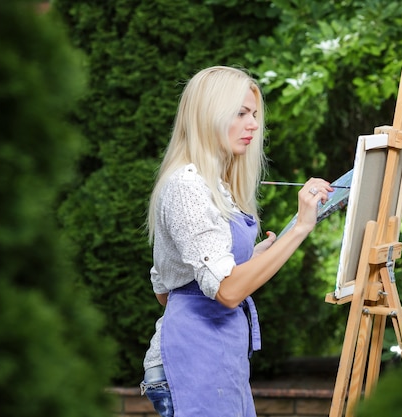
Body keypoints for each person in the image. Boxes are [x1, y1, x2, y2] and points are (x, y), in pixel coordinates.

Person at [140, 65, 333, 417]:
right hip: (194, 364)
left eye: (255, 114)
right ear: (208, 115)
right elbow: (227, 291)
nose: (254, 125)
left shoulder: (215, 185)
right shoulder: (188, 187)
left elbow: (167, 287)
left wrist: (254, 256)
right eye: (241, 113)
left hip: (217, 358)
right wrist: (300, 227)